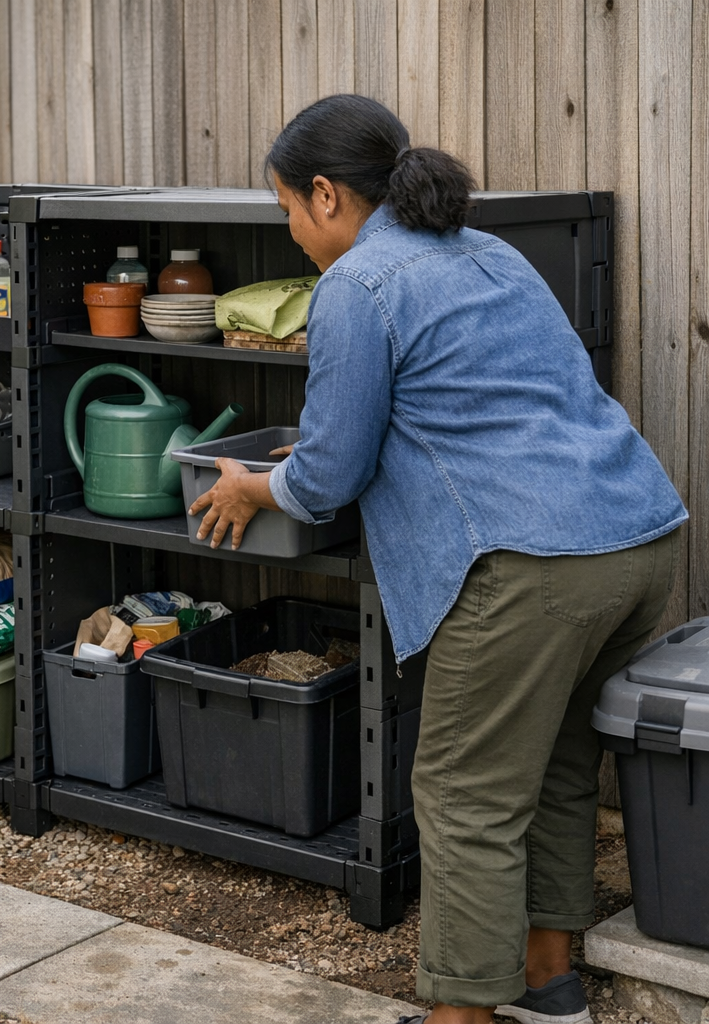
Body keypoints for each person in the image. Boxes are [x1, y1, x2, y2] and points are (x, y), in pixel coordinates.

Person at [188, 94, 687, 1024]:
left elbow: (329, 477)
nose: (292, 231)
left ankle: (462, 1014)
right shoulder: (489, 251)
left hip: (530, 568)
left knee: (464, 795)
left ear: (327, 195)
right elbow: (470, 400)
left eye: (287, 209)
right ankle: (549, 985)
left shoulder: (358, 283)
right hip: (634, 536)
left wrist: (250, 487)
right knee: (557, 768)